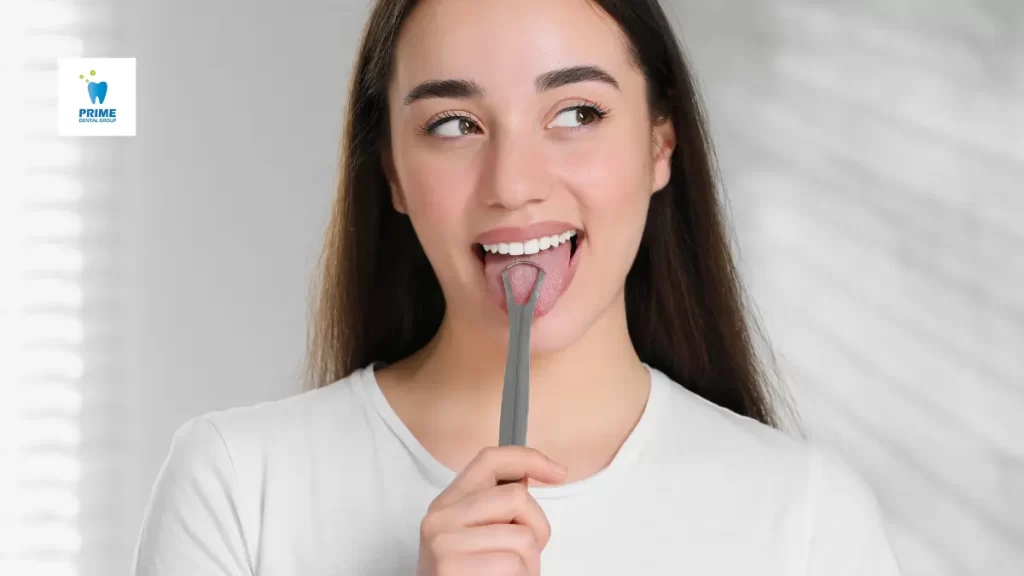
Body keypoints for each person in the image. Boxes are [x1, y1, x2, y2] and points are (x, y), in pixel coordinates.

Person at [133, 0, 905, 574]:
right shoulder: (236, 488)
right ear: (393, 172)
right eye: (453, 124)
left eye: (576, 112)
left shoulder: (808, 520)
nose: (514, 184)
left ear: (661, 144)